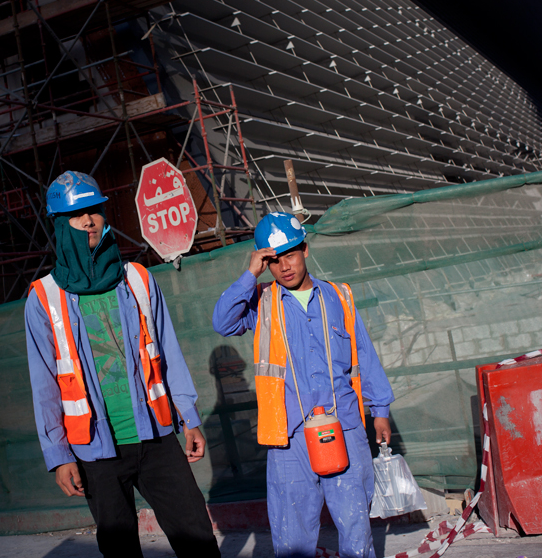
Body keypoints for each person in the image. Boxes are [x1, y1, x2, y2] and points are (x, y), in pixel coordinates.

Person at [25, 170, 220, 558]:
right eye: (76, 216)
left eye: (94, 211)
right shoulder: (43, 298)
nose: (88, 221)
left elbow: (168, 350)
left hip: (156, 435)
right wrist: (59, 455)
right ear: (60, 225)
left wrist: (188, 415)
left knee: (197, 536)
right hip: (95, 450)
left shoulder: (138, 279)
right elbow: (44, 383)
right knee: (120, 549)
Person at [211, 212, 395, 558]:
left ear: (305, 250)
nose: (285, 267)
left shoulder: (339, 298)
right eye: (274, 260)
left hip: (345, 425)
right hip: (289, 435)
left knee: (355, 525)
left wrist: (380, 410)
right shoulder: (259, 302)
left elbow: (364, 355)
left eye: (291, 255)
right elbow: (222, 321)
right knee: (292, 534)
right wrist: (250, 273)